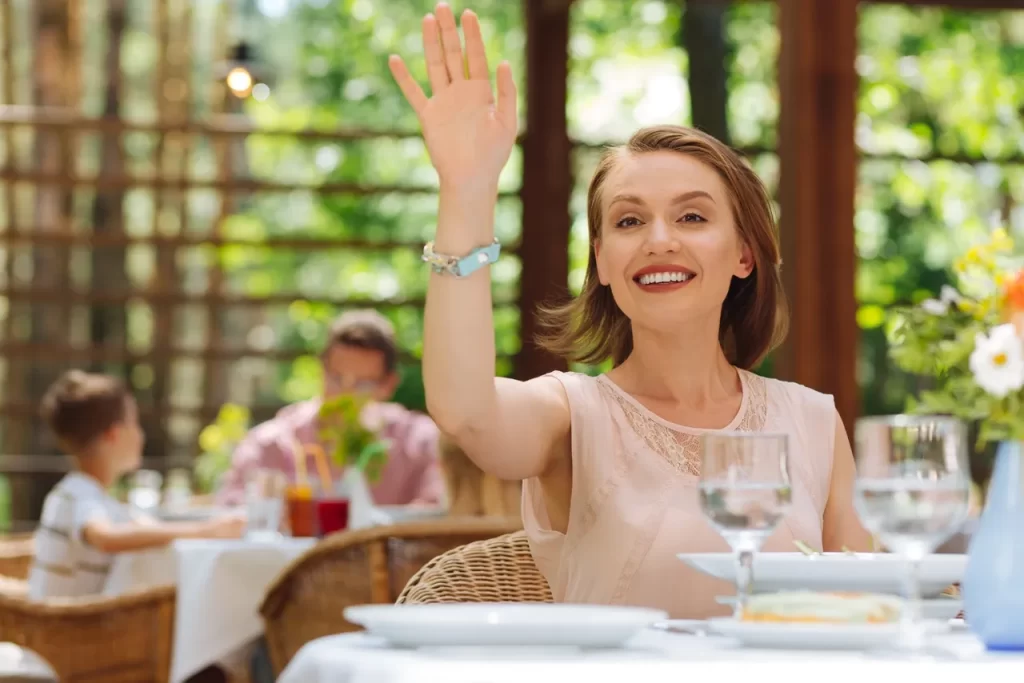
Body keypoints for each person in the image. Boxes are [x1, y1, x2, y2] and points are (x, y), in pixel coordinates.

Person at [388, 2, 873, 618]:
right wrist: (466, 191)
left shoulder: (811, 422)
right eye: (629, 220)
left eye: (692, 216)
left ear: (745, 255)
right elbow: (464, 409)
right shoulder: (571, 416)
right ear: (604, 263)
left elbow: (867, 611)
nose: (658, 238)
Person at [29, 370, 245, 600]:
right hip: (73, 628)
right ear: (113, 435)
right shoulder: (80, 493)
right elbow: (105, 537)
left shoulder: (77, 492)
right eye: (135, 424)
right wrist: (206, 531)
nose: (141, 435)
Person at [217, 310, 445, 507]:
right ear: (321, 371)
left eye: (362, 384)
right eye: (337, 379)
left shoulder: (417, 441)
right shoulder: (273, 442)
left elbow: (434, 513)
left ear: (388, 385)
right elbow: (233, 510)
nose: (345, 394)